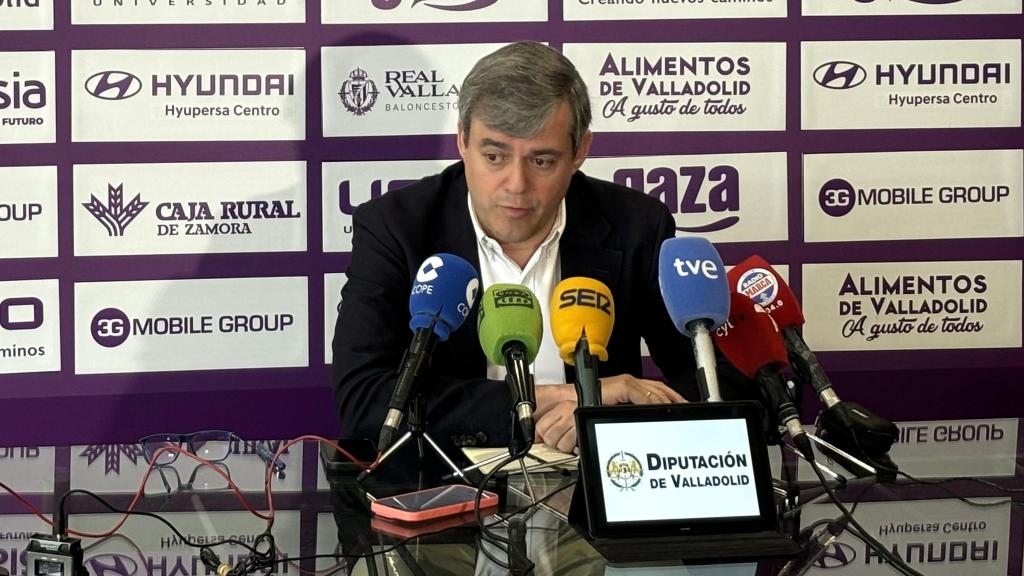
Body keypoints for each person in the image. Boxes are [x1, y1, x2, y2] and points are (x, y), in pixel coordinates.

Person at [331, 42, 701, 456]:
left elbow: (717, 379)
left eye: (541, 161)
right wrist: (568, 397)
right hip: (446, 487)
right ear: (462, 142)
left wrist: (618, 416)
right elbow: (365, 400)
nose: (516, 185)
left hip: (599, 488)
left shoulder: (638, 226)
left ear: (580, 152)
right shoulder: (396, 228)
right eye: (494, 156)